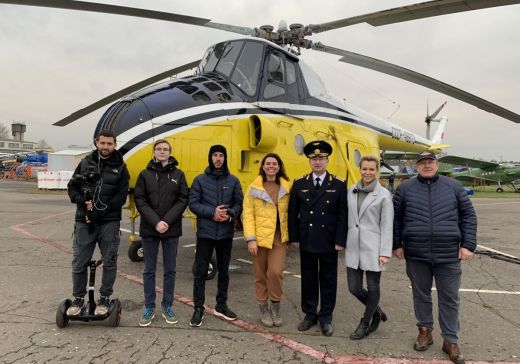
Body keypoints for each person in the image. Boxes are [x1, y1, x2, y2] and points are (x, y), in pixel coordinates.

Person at [393, 151, 477, 364]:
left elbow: (468, 215)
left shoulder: (454, 187)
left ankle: (450, 340)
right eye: (423, 163)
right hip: (416, 253)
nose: (427, 166)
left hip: (448, 253)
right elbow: (396, 219)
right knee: (421, 295)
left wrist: (468, 245)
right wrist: (397, 244)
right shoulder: (405, 188)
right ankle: (425, 331)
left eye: (430, 162)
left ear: (437, 164)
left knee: (449, 298)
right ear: (416, 166)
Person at [66, 129, 129, 317]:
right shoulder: (85, 163)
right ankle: (78, 298)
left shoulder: (121, 167)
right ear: (96, 143)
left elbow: (121, 196)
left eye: (110, 144)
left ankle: (105, 298)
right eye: (103, 143)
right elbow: (72, 187)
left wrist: (100, 212)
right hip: (84, 220)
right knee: (79, 262)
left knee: (109, 261)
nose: (106, 147)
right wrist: (81, 201)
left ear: (115, 145)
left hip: (108, 222)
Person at [288, 140, 348, 337]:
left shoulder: (338, 184)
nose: (317, 162)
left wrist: (340, 240)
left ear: (327, 160)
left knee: (328, 279)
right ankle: (310, 314)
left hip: (329, 240)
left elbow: (342, 215)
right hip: (307, 239)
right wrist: (294, 237)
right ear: (309, 161)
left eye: (321, 158)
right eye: (313, 158)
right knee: (309, 278)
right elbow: (292, 213)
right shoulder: (299, 183)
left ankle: (326, 317)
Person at [134, 139, 189, 327]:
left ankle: (167, 305)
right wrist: (156, 222)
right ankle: (149, 306)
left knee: (170, 270)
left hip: (171, 229)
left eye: (165, 149)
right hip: (150, 229)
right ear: (154, 152)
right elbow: (140, 200)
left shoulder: (179, 175)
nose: (162, 152)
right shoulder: (144, 174)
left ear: (170, 152)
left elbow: (182, 200)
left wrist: (167, 221)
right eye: (159, 149)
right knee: (149, 270)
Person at [188, 144, 243, 327]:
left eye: (221, 155)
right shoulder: (199, 180)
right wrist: (213, 212)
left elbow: (238, 203)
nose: (218, 158)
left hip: (225, 234)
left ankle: (221, 305)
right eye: (215, 155)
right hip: (205, 233)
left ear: (225, 158)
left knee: (224, 271)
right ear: (210, 158)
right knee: (201, 272)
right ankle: (198, 308)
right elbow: (194, 204)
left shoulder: (234, 181)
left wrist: (231, 213)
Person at [345, 156, 393, 340]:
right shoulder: (352, 190)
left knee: (373, 287)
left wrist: (385, 252)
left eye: (371, 169)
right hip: (353, 245)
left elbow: (387, 225)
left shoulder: (383, 195)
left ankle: (365, 323)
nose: (367, 172)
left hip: (374, 248)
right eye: (364, 169)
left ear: (377, 171)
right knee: (354, 288)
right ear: (360, 169)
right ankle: (376, 310)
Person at [243, 153, 291, 327]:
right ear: (263, 166)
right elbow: (247, 215)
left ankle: (275, 305)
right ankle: (263, 307)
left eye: (274, 164)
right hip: (259, 237)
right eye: (268, 163)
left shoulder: (287, 187)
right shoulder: (254, 188)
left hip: (279, 236)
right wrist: (251, 239)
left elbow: (292, 212)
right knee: (260, 274)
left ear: (279, 167)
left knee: (275, 272)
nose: (271, 166)